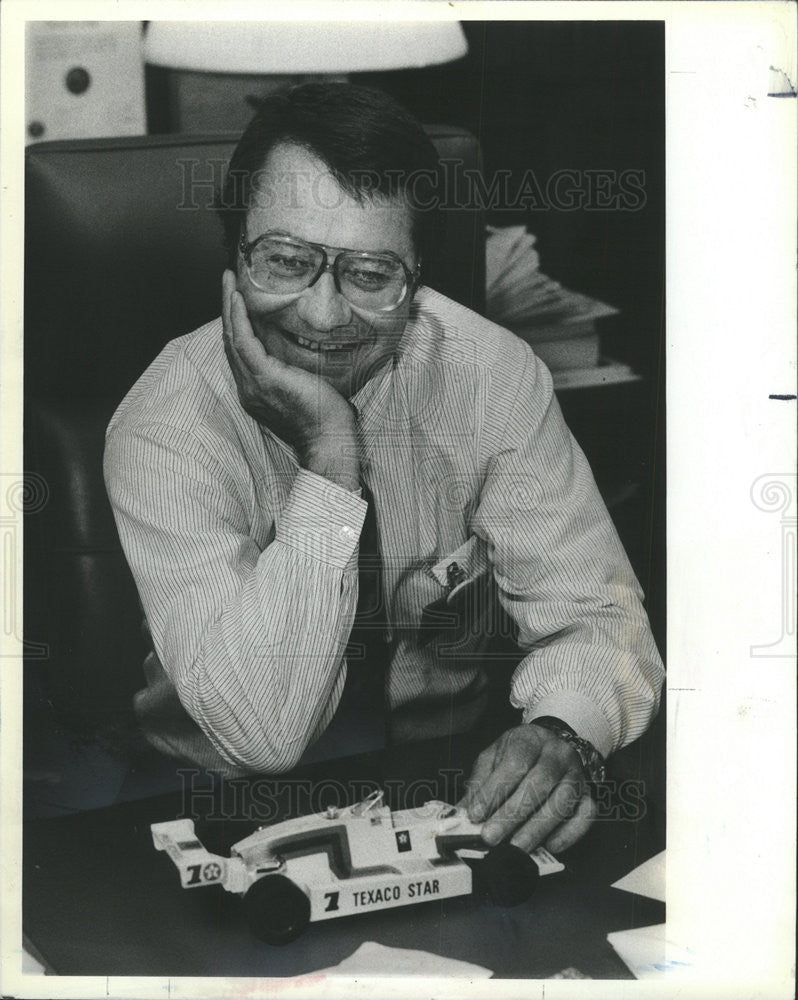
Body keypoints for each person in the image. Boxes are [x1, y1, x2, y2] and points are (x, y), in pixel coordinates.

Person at [104, 82, 664, 854]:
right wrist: (332, 465)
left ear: (417, 278)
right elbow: (261, 735)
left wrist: (566, 730)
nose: (324, 316)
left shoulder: (492, 377)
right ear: (233, 255)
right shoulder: (166, 422)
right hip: (204, 810)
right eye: (287, 261)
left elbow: (597, 617)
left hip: (444, 798)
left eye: (370, 275)